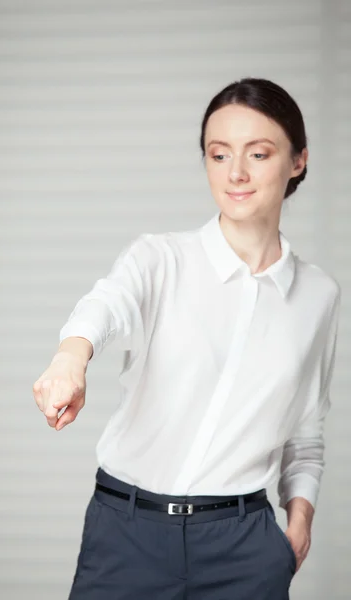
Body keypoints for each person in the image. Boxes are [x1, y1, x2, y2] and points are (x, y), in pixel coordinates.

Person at [33, 77, 341, 599]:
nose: (236, 173)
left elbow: (305, 433)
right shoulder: (160, 259)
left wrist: (300, 518)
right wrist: (71, 356)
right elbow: (106, 305)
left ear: (297, 161)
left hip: (245, 544)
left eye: (259, 153)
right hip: (128, 533)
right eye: (218, 155)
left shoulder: (318, 295)